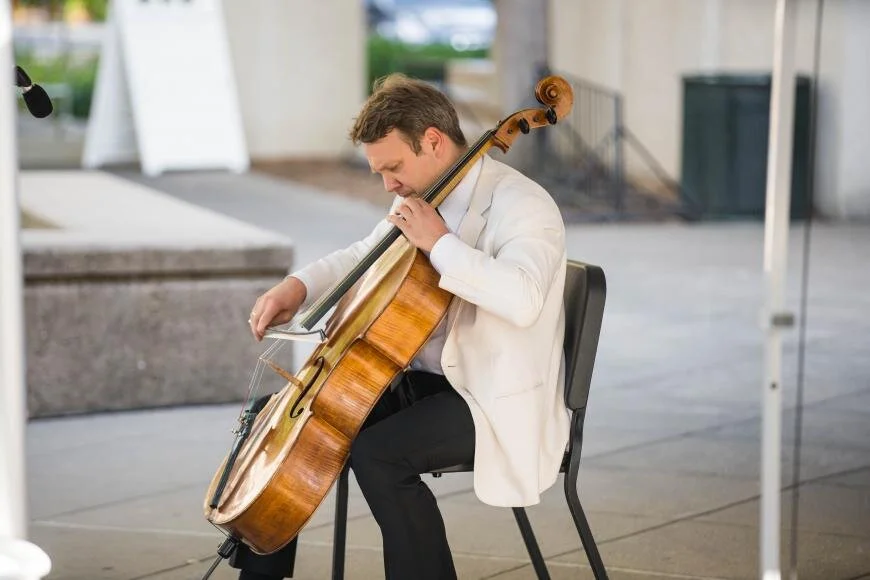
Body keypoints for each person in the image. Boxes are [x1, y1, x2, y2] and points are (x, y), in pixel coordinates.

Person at [232, 73, 570, 580]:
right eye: (380, 172)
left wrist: (441, 245)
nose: (388, 184)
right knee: (277, 420)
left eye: (393, 167)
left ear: (433, 141)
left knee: (380, 455)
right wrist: (298, 287)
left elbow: (523, 299)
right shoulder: (425, 194)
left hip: (490, 397)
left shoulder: (524, 205)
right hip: (418, 380)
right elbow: (365, 255)